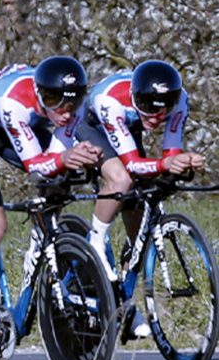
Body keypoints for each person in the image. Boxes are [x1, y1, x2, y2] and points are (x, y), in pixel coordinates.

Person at [0, 56, 101, 360]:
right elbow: (36, 167)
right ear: (39, 93)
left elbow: (56, 158)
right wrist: (65, 157)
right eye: (54, 101)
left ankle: (41, 241)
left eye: (72, 103)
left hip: (18, 128)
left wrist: (78, 156)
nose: (65, 112)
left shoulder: (70, 107)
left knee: (64, 176)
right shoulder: (14, 101)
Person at [75, 59, 204, 337]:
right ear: (135, 98)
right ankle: (96, 241)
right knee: (121, 179)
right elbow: (133, 165)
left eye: (162, 111)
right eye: (147, 108)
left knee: (140, 227)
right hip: (91, 126)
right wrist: (165, 165)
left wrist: (182, 162)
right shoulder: (111, 101)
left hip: (127, 129)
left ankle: (125, 305)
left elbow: (171, 152)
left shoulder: (179, 99)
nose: (155, 118)